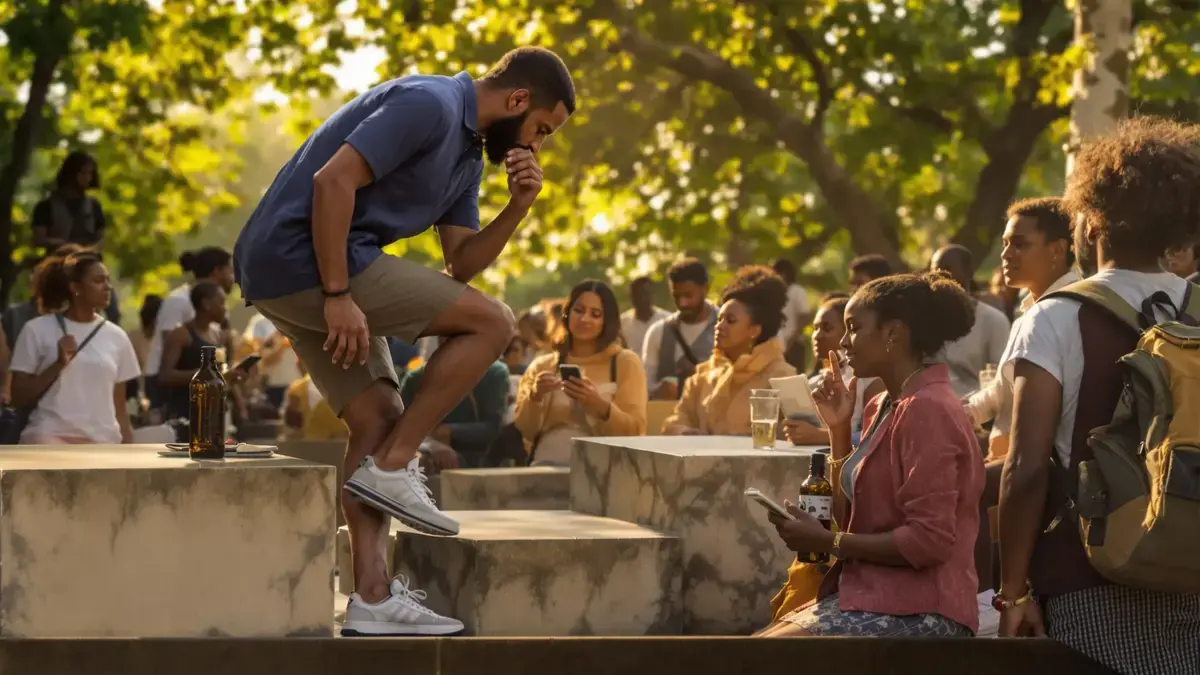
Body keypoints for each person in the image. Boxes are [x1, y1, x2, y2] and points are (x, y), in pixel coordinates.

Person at [232, 47, 575, 636]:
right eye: (541, 128)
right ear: (518, 100)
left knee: (378, 416)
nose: (537, 144)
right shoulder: (431, 104)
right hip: (301, 260)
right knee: (494, 322)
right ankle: (394, 465)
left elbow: (461, 264)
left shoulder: (467, 159)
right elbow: (332, 180)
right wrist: (338, 295)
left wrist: (519, 206)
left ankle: (371, 598)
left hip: (309, 269)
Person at [997, 117, 1200, 673]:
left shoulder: (1055, 318)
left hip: (1089, 577)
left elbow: (1027, 467)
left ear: (1089, 222)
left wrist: (1014, 592)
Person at [760, 271, 984, 637]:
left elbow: (928, 542)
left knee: (761, 657)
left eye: (853, 328)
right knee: (755, 647)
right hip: (871, 594)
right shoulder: (882, 403)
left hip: (923, 609)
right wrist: (837, 430)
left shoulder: (928, 409)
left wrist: (825, 542)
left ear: (892, 333)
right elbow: (849, 518)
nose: (844, 343)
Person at [966, 197, 1076, 463]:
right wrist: (966, 413)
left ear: (1058, 250)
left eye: (1020, 244)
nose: (1005, 255)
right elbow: (1003, 390)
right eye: (1005, 244)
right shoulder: (1031, 310)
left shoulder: (1064, 312)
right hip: (1005, 463)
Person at [9, 251, 139, 444]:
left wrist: (130, 456)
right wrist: (58, 364)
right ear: (75, 287)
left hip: (102, 442)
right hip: (48, 437)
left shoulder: (117, 336)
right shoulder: (36, 330)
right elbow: (17, 397)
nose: (108, 287)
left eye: (108, 281)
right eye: (98, 281)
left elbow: (120, 410)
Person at [514, 280, 646, 465]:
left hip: (606, 469)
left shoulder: (625, 362)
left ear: (606, 321)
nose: (585, 319)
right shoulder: (542, 366)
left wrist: (599, 405)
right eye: (579, 310)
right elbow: (526, 430)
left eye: (595, 314)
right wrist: (535, 397)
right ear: (567, 313)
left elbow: (634, 431)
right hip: (548, 465)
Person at [663, 266, 796, 436]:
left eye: (730, 321)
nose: (719, 326)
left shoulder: (784, 377)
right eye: (719, 319)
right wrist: (685, 432)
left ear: (754, 330)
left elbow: (803, 434)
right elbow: (675, 420)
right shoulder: (703, 375)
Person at [783, 296, 884, 446]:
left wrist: (821, 436)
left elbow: (877, 435)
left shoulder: (869, 380)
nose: (817, 336)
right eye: (815, 328)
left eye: (827, 328)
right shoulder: (815, 381)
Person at [145, 247, 236, 412]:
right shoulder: (179, 300)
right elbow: (172, 349)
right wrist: (210, 374)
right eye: (230, 272)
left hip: (196, 380)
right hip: (167, 385)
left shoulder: (217, 306)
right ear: (217, 271)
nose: (233, 279)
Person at [158, 282, 243, 433]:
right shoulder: (181, 334)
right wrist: (207, 375)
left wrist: (232, 378)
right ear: (206, 304)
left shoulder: (216, 335)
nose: (225, 308)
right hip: (186, 414)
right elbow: (165, 375)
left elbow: (220, 374)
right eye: (221, 302)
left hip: (213, 413)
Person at [401, 350, 510, 469]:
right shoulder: (416, 378)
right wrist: (431, 445)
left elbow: (493, 428)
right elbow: (399, 430)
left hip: (476, 459)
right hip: (422, 452)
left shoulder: (493, 373)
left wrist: (450, 431)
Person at [930, 245, 1011, 397]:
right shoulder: (921, 321)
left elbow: (1001, 384)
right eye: (934, 269)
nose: (939, 275)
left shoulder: (994, 321)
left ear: (969, 273)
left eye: (947, 268)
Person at [642, 259, 717, 400]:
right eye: (677, 296)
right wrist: (663, 390)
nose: (682, 303)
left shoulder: (726, 326)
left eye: (688, 296)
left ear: (705, 290)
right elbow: (645, 388)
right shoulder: (658, 332)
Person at [31, 152, 107, 251]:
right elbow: (38, 239)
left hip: (88, 257)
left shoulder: (94, 206)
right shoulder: (46, 206)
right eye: (82, 173)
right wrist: (65, 245)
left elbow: (101, 238)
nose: (87, 177)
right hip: (56, 258)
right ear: (71, 173)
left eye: (90, 173)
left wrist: (89, 250)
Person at [619, 276, 669, 357]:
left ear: (652, 294)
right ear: (631, 297)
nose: (642, 298)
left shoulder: (667, 321)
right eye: (637, 295)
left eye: (645, 294)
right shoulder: (622, 323)